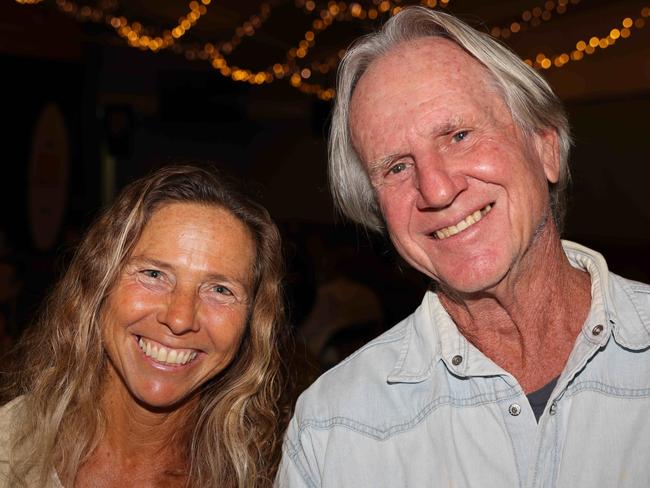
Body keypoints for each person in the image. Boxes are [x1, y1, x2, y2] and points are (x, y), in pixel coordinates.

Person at [278, 7, 650, 487]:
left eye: (458, 135)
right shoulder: (334, 428)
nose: (435, 190)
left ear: (546, 149)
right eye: (396, 167)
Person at [0, 164, 287, 487]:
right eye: (153, 274)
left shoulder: (267, 475)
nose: (179, 319)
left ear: (251, 323)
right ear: (99, 283)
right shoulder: (9, 452)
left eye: (220, 290)